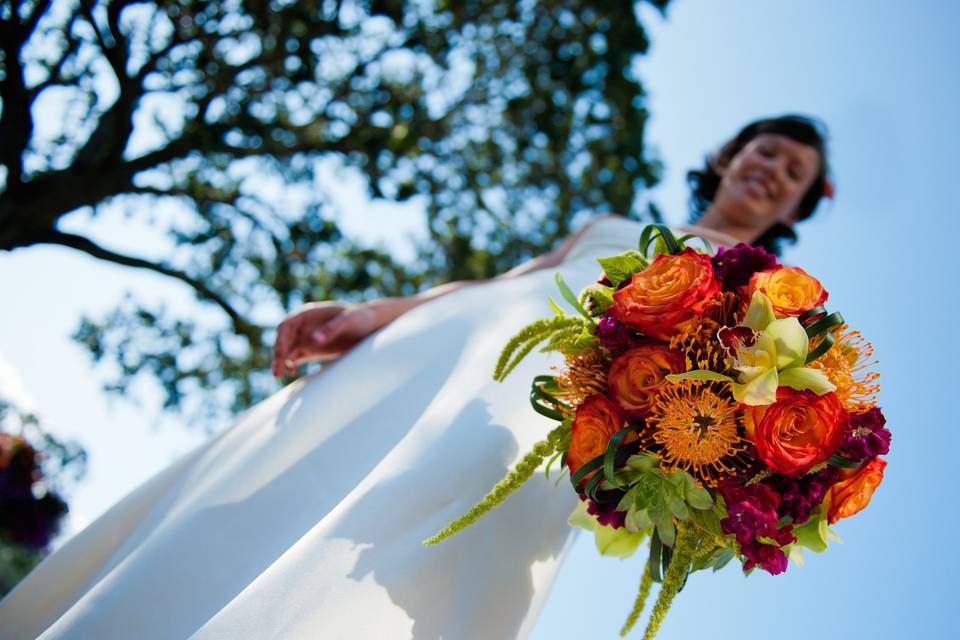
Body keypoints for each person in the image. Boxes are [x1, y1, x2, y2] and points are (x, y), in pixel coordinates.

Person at [0, 114, 832, 639]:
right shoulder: (612, 224)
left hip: (553, 418)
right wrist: (372, 315)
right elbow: (501, 285)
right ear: (728, 154)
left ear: (797, 208)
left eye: (792, 174)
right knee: (294, 477)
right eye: (765, 152)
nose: (771, 172)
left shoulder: (760, 303)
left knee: (442, 533)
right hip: (445, 345)